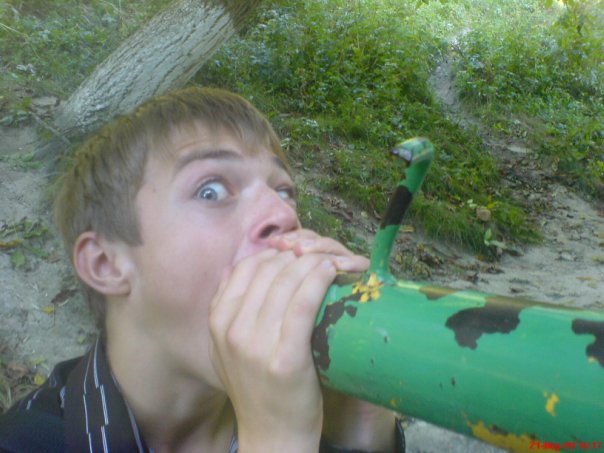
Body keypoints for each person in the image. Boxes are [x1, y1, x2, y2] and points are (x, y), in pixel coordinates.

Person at [0, 87, 405, 452]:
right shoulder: (24, 441)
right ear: (106, 264)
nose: (284, 215)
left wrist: (357, 431)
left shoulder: (305, 412)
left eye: (284, 191)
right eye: (211, 190)